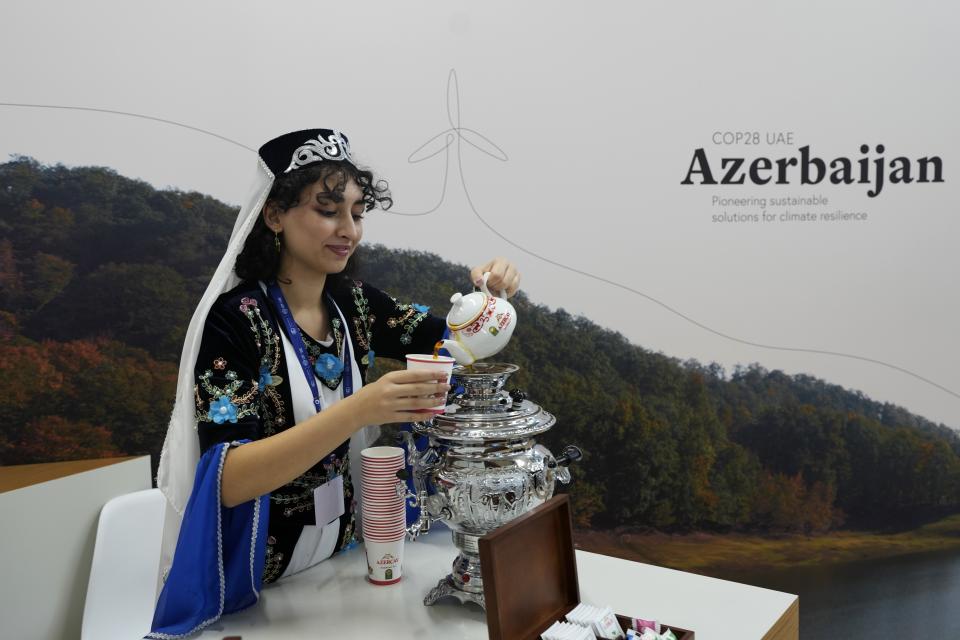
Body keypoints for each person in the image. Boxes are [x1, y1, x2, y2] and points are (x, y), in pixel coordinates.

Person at [149, 128, 520, 637]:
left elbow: (457, 341)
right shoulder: (237, 321)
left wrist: (490, 299)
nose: (349, 229)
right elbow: (229, 481)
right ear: (274, 215)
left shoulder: (354, 303)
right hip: (260, 586)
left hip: (349, 560)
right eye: (328, 209)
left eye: (358, 212)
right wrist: (359, 410)